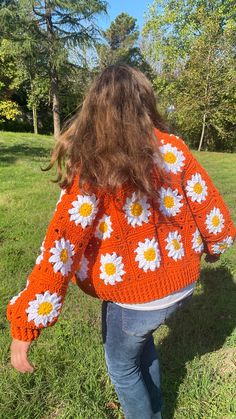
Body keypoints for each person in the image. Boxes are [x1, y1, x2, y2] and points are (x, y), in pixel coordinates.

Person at [7, 64, 236, 419]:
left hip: (135, 297)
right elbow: (209, 207)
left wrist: (27, 323)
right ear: (146, 102)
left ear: (95, 108)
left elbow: (61, 246)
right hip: (182, 284)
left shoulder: (95, 165)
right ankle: (156, 407)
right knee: (140, 348)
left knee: (123, 366)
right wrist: (216, 246)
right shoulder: (173, 148)